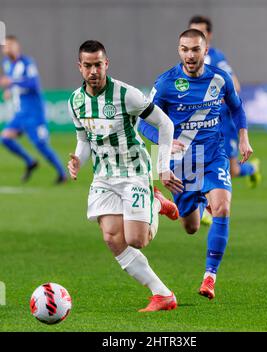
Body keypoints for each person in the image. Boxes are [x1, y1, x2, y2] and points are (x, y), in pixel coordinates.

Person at [67, 40, 183, 312]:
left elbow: (165, 123)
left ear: (106, 64)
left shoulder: (126, 95)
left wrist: (162, 167)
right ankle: (162, 294)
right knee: (111, 237)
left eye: (98, 64)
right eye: (88, 65)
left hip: (134, 172)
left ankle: (156, 202)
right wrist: (77, 161)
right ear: (80, 67)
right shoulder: (75, 101)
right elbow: (84, 141)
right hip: (104, 176)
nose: (93, 70)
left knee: (136, 240)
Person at [138, 29, 253, 299]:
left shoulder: (220, 78)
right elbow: (143, 121)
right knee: (190, 227)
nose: (190, 55)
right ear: (179, 51)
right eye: (185, 49)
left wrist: (243, 137)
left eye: (195, 49)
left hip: (214, 155)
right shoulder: (166, 83)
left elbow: (236, 107)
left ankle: (209, 278)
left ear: (204, 51)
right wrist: (166, 144)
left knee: (223, 207)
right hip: (183, 163)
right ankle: (167, 204)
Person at [189, 15, 261, 188]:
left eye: (201, 31)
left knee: (232, 170)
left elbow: (235, 85)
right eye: (193, 30)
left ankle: (252, 169)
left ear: (209, 35)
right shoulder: (189, 57)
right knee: (194, 166)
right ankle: (203, 209)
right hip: (199, 123)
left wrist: (215, 99)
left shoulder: (216, 57)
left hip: (222, 120)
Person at [0, 35, 67, 183]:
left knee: (40, 145)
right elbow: (14, 84)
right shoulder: (6, 64)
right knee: (4, 138)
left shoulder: (27, 63)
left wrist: (12, 82)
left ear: (17, 47)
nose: (7, 48)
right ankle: (30, 162)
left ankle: (62, 174)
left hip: (34, 113)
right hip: (20, 113)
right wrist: (9, 89)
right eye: (5, 46)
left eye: (10, 45)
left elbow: (33, 83)